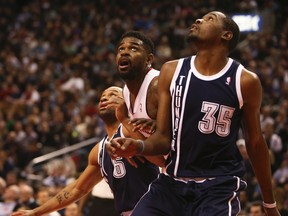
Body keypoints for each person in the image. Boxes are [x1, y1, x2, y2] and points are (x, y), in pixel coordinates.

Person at [108, 11, 280, 215]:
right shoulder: (171, 71)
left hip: (218, 187)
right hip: (171, 184)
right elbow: (163, 139)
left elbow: (255, 142)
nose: (198, 20)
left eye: (209, 19)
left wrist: (269, 204)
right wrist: (137, 146)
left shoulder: (244, 81)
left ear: (226, 35)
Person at [11, 86, 164, 216]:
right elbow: (77, 189)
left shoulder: (136, 127)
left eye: (113, 95)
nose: (105, 98)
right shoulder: (98, 150)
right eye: (102, 97)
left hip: (158, 208)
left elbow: (162, 158)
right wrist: (36, 212)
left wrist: (125, 118)